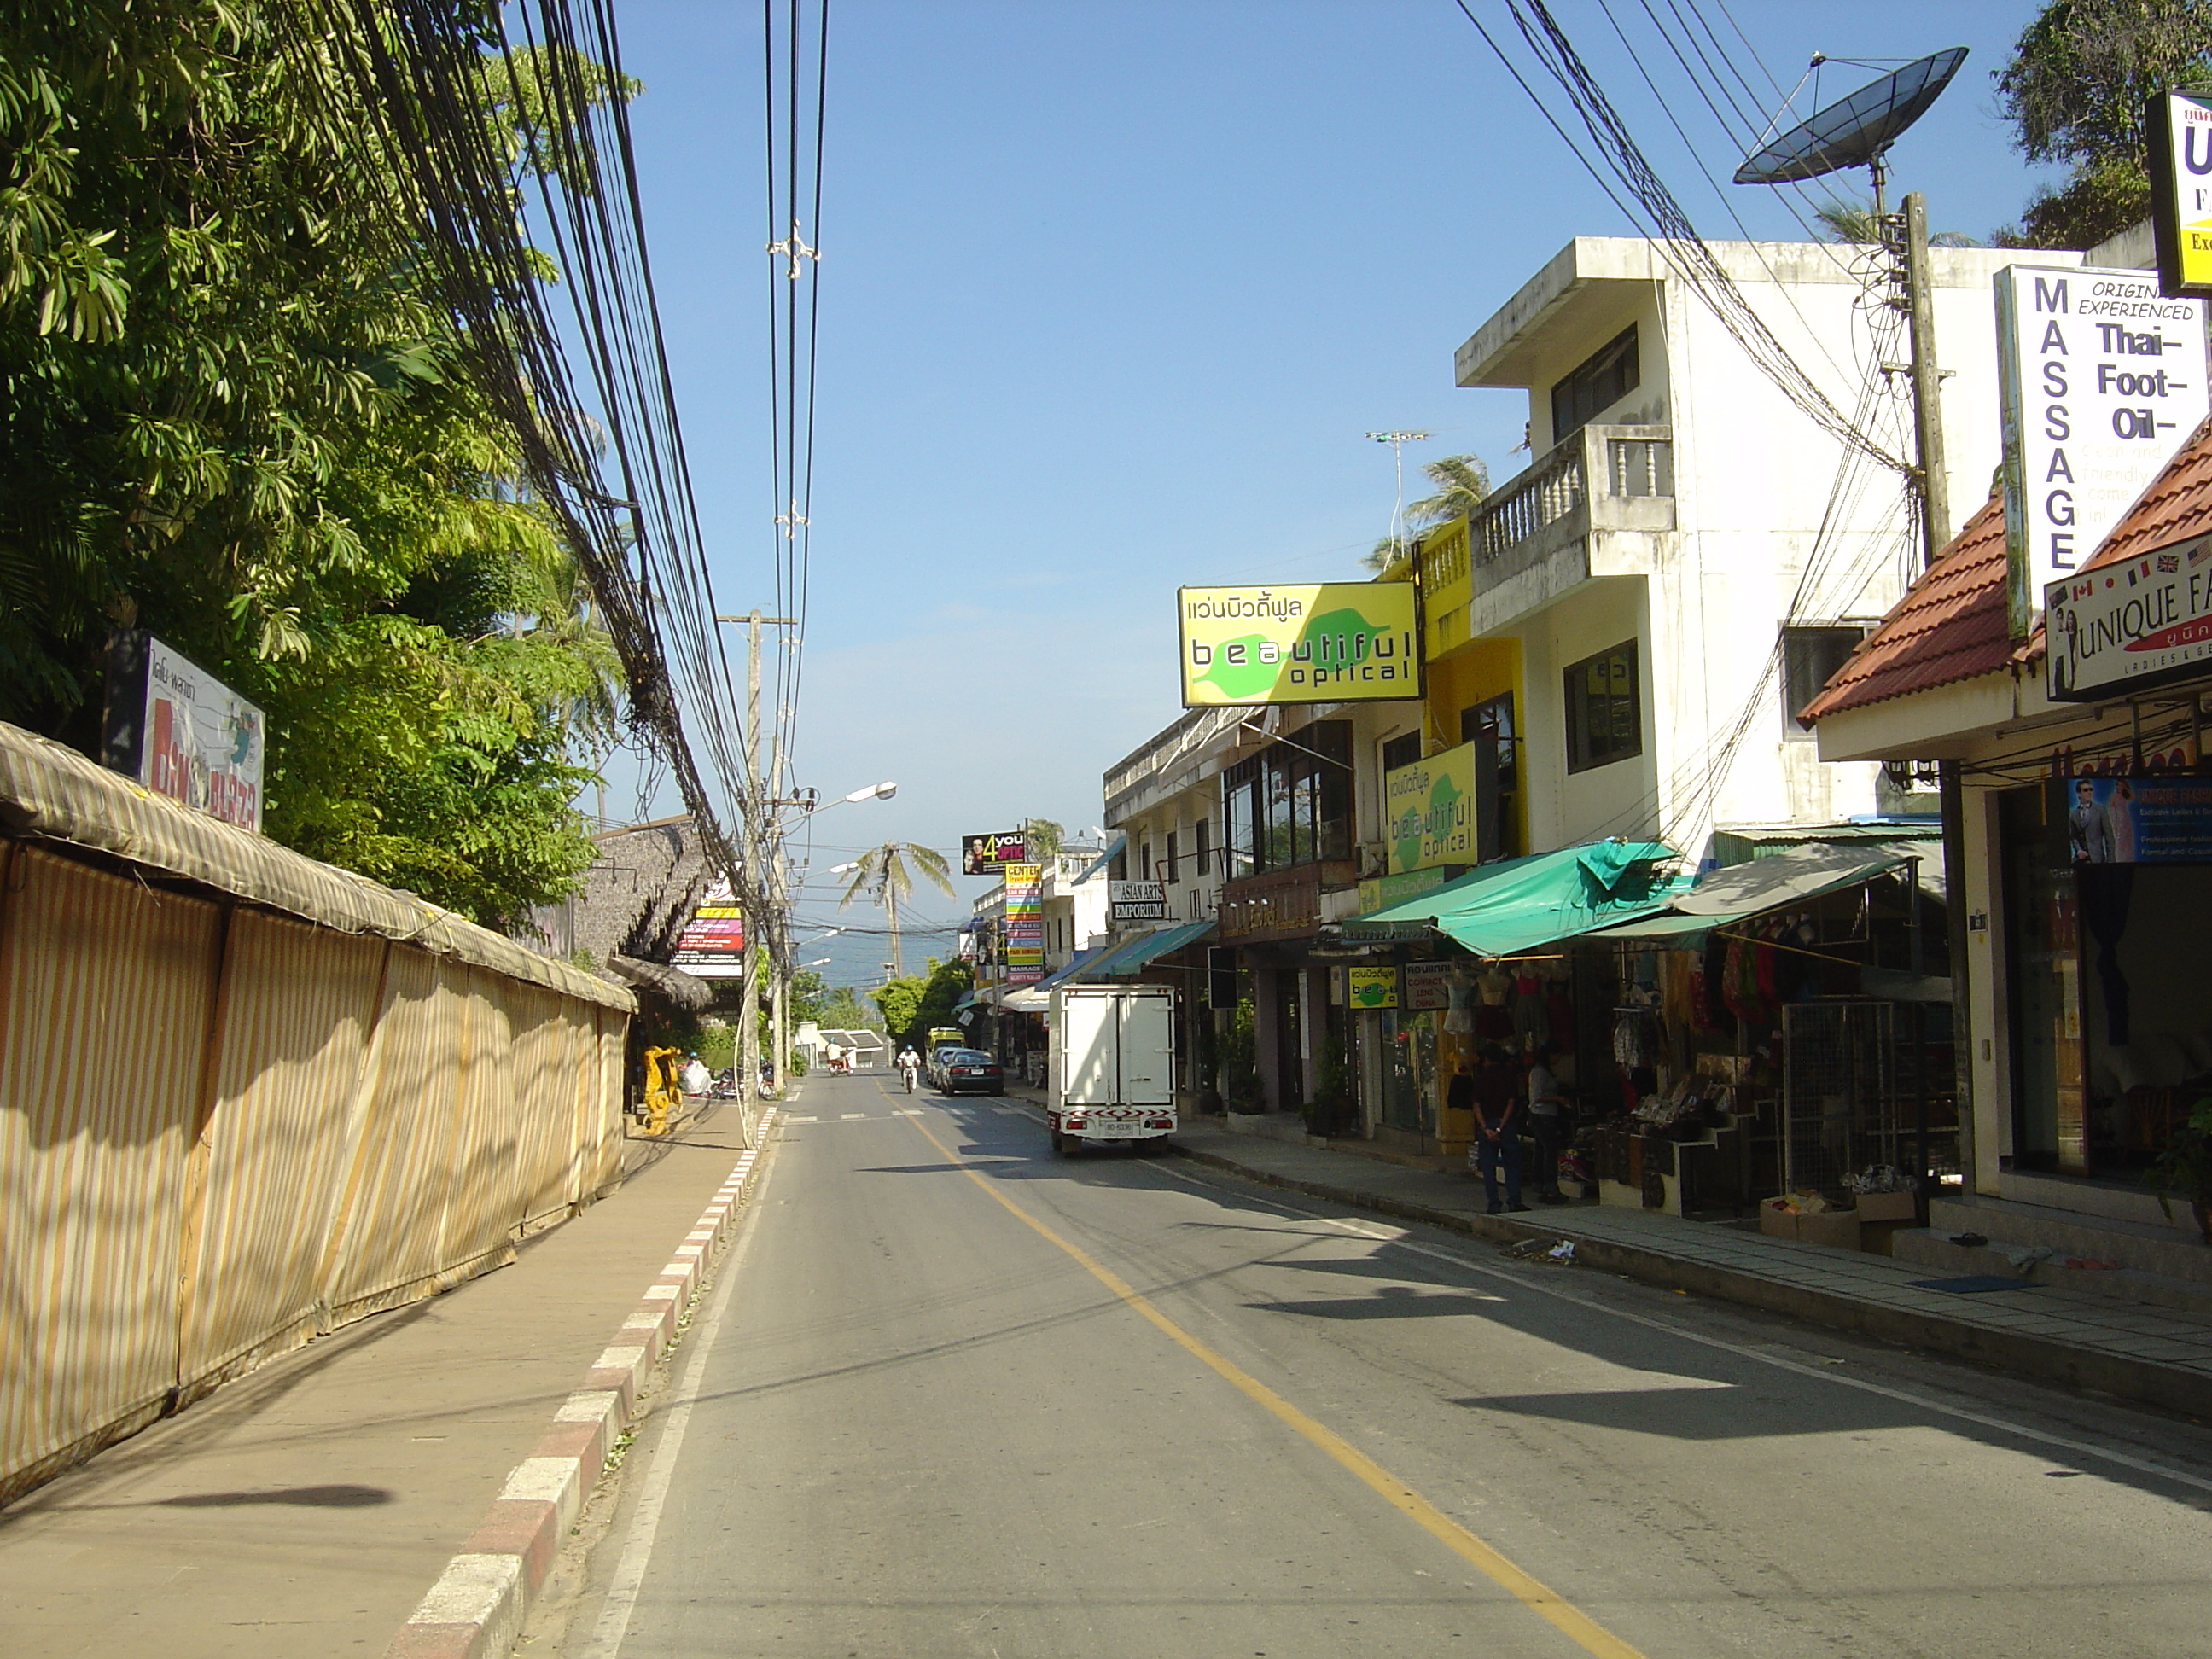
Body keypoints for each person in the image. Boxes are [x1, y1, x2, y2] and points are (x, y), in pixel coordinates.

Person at [1465, 1044, 1528, 1214]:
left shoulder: (1481, 1078)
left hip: (1487, 1125)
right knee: (1512, 1165)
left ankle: (1494, 1203)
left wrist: (1486, 1128)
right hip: (1505, 1125)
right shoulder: (1509, 1076)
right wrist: (1501, 1127)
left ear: (1486, 1059)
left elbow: (1476, 1106)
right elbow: (1511, 1103)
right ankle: (1514, 1201)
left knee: (1488, 1166)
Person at [1525, 1043, 1570, 1204]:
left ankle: (1540, 1183)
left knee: (1541, 1149)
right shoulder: (1538, 1073)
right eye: (1556, 1055)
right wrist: (1557, 1099)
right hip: (1542, 1115)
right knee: (1550, 1150)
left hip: (1545, 1115)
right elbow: (1536, 1096)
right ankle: (1550, 1185)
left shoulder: (1544, 1072)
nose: (1558, 1058)